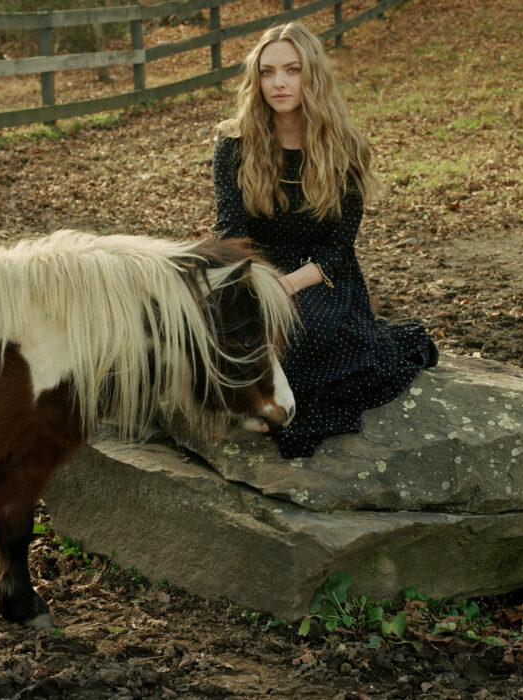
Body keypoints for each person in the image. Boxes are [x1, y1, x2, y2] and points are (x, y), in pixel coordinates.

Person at [213, 22, 438, 459]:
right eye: (267, 72)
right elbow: (230, 230)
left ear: (311, 75)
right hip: (253, 267)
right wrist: (251, 283)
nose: (278, 83)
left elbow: (339, 247)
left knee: (303, 332)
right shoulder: (234, 141)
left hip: (317, 273)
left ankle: (273, 407)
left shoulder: (346, 147)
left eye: (292, 70)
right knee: (227, 329)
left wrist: (290, 285)